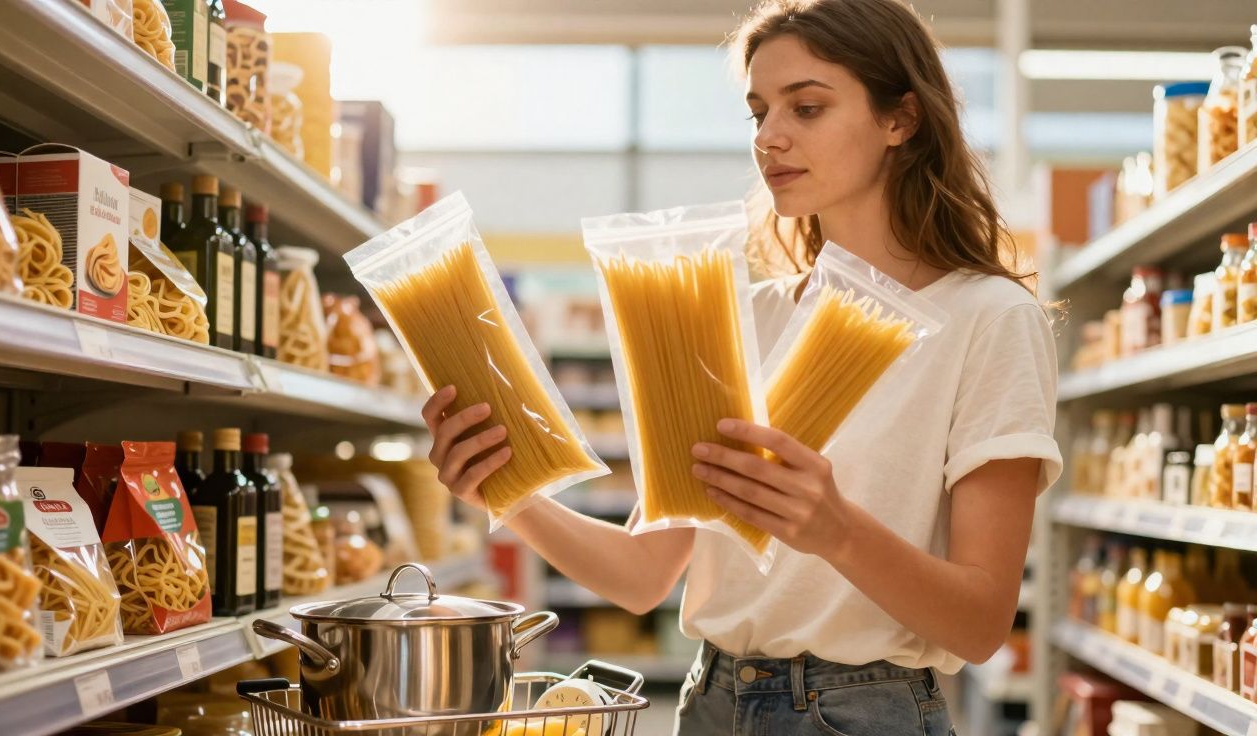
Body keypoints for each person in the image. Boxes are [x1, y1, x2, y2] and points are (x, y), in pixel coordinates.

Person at [420, 0, 1061, 733]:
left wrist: (836, 529)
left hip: (864, 712)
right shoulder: (745, 318)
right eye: (757, 113)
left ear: (900, 120)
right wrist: (505, 490)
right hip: (710, 700)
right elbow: (642, 573)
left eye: (807, 107)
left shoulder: (989, 318)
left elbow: (980, 623)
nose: (770, 138)